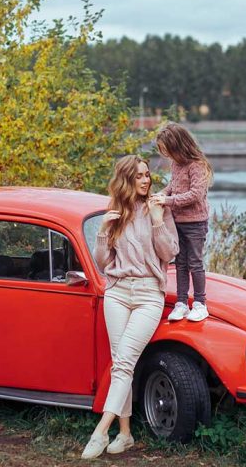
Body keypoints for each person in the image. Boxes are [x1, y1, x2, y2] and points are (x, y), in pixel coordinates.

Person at [81, 155, 179, 460]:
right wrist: (102, 231)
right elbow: (103, 263)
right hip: (117, 292)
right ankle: (124, 434)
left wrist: (157, 220)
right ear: (126, 179)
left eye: (147, 175)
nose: (146, 180)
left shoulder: (158, 208)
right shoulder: (116, 213)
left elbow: (170, 253)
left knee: (124, 363)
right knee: (119, 361)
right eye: (139, 176)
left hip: (149, 294)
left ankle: (100, 430)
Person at [149, 122, 212, 322]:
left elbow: (195, 194)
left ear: (179, 146)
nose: (167, 155)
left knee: (195, 262)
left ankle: (200, 303)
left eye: (168, 151)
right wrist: (161, 194)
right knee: (181, 263)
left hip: (195, 223)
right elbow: (173, 185)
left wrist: (168, 201)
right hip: (178, 222)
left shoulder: (197, 165)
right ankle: (182, 303)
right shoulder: (176, 164)